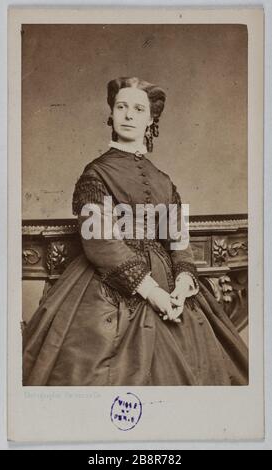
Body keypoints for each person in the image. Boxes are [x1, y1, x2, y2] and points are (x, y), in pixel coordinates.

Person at [23, 76, 248, 386]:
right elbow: (99, 240)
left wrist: (182, 283)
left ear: (150, 120)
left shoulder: (165, 181)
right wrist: (152, 291)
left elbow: (178, 238)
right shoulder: (95, 173)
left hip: (170, 282)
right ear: (111, 115)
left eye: (138, 109)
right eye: (122, 107)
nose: (129, 115)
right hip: (111, 283)